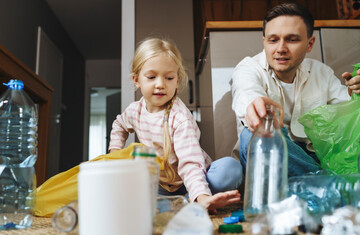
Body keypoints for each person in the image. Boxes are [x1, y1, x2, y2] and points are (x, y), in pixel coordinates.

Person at [109, 37, 242, 211]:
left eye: (169, 78)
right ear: (136, 79)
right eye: (151, 77)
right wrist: (114, 154)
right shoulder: (135, 111)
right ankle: (173, 203)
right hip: (158, 185)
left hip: (191, 181)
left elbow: (190, 163)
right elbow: (119, 125)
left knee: (230, 168)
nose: (160, 84)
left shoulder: (179, 117)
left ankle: (192, 200)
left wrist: (202, 197)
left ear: (177, 80)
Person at [231, 3, 360, 177]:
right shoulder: (248, 68)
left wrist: (356, 93)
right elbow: (247, 92)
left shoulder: (321, 72)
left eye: (292, 39)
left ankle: (318, 182)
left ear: (310, 43)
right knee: (257, 133)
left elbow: (349, 118)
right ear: (264, 42)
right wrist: (255, 105)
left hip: (314, 157)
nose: (281, 49)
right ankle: (325, 182)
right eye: (273, 40)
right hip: (272, 156)